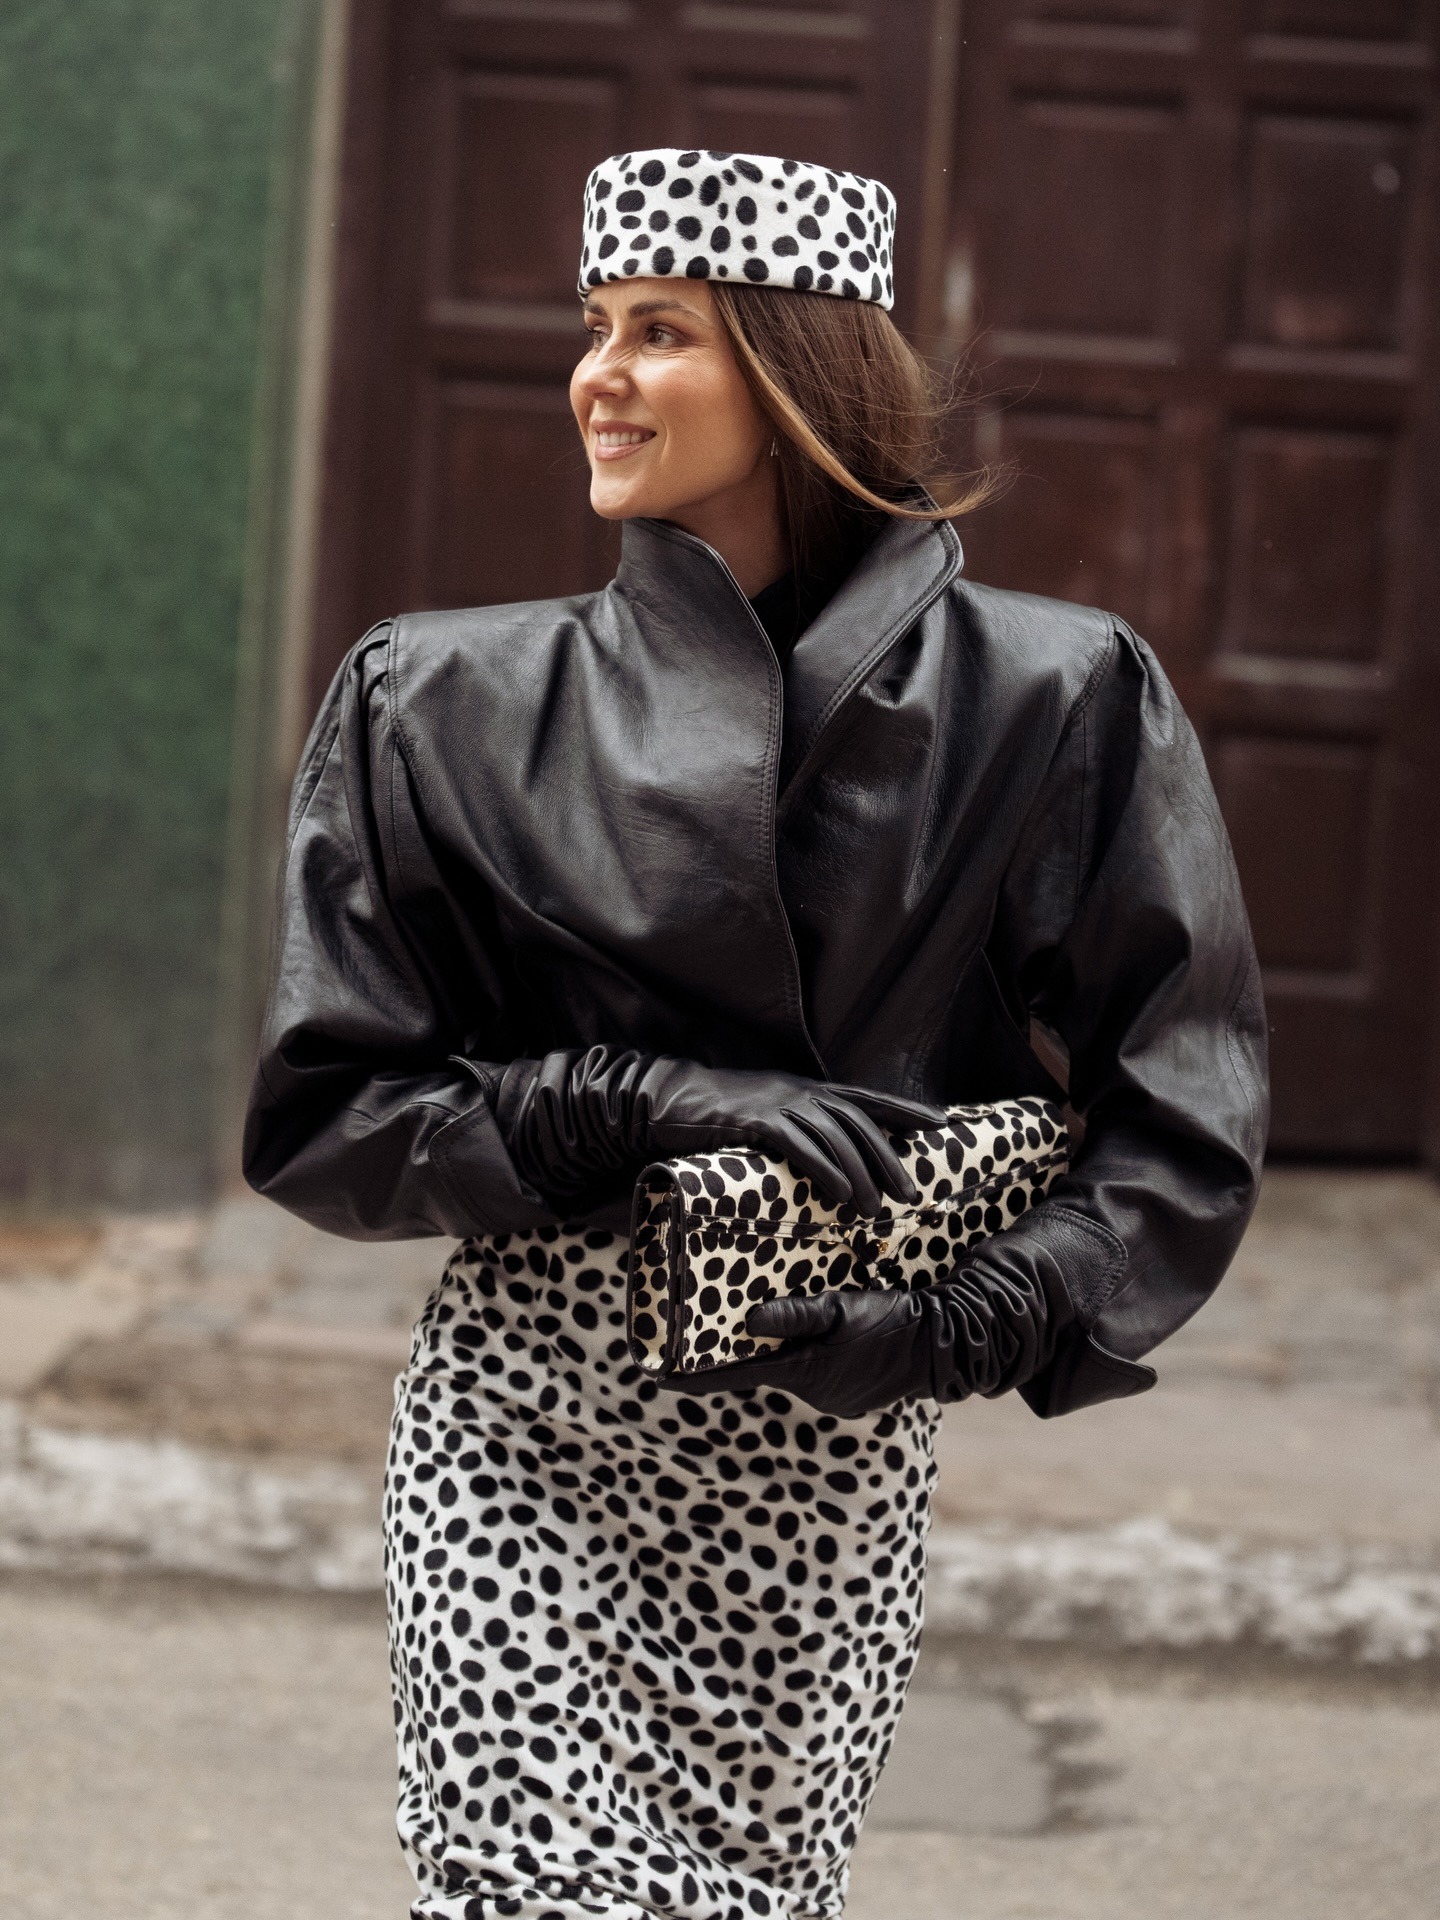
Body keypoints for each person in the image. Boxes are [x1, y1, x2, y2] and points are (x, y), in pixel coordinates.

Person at [245, 148, 1267, 1920]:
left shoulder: (1059, 694)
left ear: (797, 374)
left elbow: (1181, 1110)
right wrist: (617, 1103)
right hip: (525, 1437)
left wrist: (958, 1322)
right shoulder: (439, 699)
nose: (599, 374)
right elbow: (326, 1110)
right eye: (594, 326)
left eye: (662, 331)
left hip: (831, 1464)